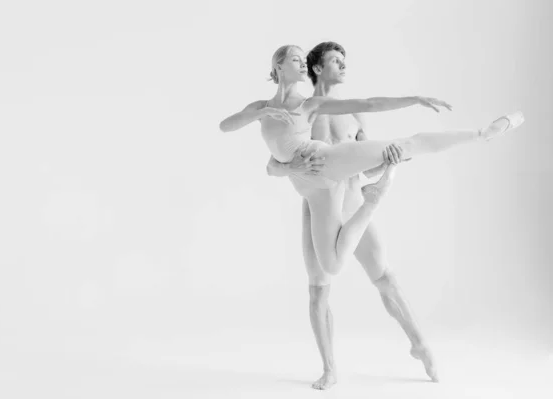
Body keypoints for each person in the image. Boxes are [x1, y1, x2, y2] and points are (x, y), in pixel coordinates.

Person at [219, 43, 523, 279]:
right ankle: (372, 200)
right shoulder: (258, 107)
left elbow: (368, 104)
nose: (301, 64)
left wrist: (414, 99)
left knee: (404, 146)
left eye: (303, 59)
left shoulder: (309, 104)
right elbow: (226, 126)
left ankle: (482, 133)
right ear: (279, 65)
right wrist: (260, 115)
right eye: (296, 59)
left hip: (325, 162)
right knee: (333, 266)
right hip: (310, 189)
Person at [266, 42, 437, 390]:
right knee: (318, 291)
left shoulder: (354, 115)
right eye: (335, 61)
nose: (343, 67)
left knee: (385, 278)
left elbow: (369, 168)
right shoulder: (302, 112)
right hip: (319, 205)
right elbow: (273, 164)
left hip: (354, 198)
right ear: (316, 68)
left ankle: (419, 344)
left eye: (345, 61)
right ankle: (329, 369)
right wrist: (293, 166)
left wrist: (389, 160)